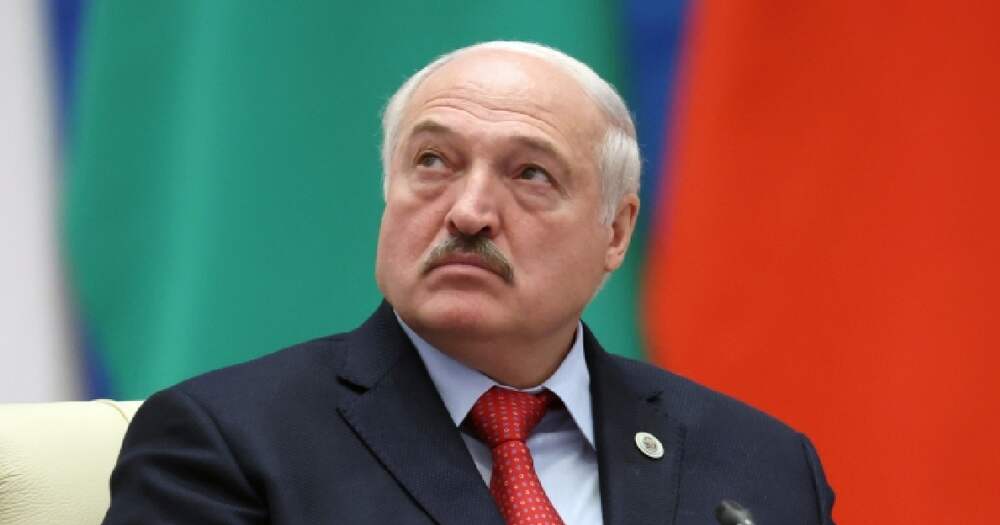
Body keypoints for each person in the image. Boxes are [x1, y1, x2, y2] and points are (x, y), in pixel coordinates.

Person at [102, 41, 836, 525]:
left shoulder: (761, 465)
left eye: (530, 174)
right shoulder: (225, 444)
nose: (469, 211)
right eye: (433, 162)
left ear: (615, 233)